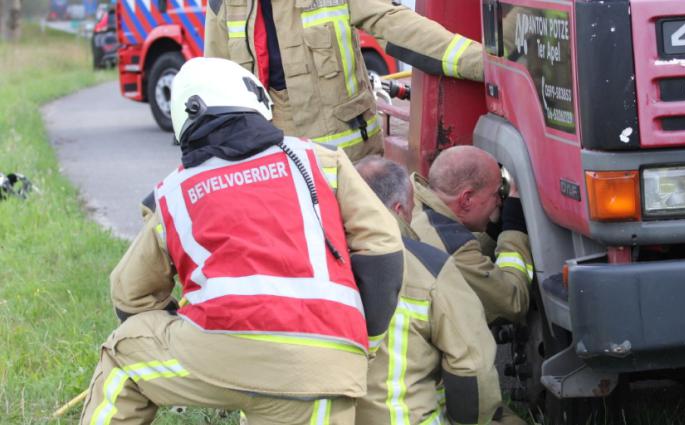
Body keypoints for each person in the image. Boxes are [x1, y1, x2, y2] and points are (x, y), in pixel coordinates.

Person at [78, 57, 403, 425]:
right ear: (257, 103)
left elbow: (129, 294)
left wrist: (179, 326)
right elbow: (383, 251)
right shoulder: (322, 162)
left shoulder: (173, 192)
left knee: (124, 353)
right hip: (325, 369)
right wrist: (362, 342)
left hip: (217, 353)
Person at [204, 0, 484, 162]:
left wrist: (483, 64)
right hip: (271, 162)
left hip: (349, 165)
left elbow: (396, 23)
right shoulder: (224, 4)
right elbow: (215, 82)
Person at [354, 156, 501, 425]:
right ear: (399, 209)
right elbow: (472, 365)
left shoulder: (315, 259)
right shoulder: (429, 267)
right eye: (412, 210)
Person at [410, 146, 533, 324]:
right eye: (497, 193)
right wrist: (514, 226)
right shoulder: (452, 247)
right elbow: (512, 303)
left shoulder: (414, 202)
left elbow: (469, 257)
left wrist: (492, 230)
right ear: (467, 199)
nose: (500, 201)